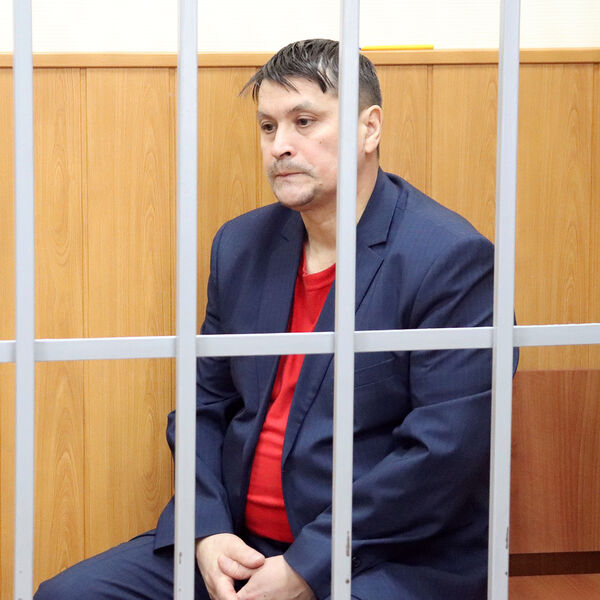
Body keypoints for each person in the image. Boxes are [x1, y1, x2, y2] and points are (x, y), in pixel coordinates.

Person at [36, 38, 506, 600]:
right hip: (240, 542)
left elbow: (444, 454)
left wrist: (308, 566)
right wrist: (207, 530)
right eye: (267, 126)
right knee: (68, 595)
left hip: (381, 558)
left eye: (304, 122)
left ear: (369, 128)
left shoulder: (451, 258)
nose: (280, 145)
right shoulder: (240, 245)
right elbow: (202, 406)